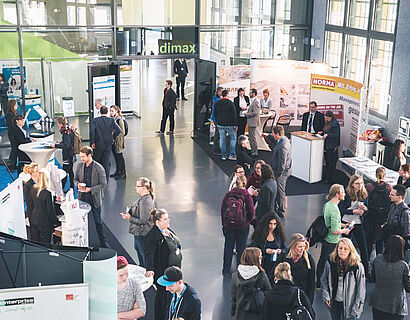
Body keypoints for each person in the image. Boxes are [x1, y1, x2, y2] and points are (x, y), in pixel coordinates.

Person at [144, 208, 182, 320]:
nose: (168, 220)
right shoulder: (152, 236)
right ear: (157, 222)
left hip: (172, 271)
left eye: (168, 218)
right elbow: (149, 253)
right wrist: (150, 269)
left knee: (162, 298)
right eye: (165, 219)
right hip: (163, 273)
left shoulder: (167, 230)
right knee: (164, 299)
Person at [321, 238, 366, 320]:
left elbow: (361, 290)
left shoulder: (357, 267)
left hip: (350, 306)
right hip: (335, 303)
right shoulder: (330, 262)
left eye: (345, 249)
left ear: (350, 250)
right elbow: (324, 280)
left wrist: (356, 310)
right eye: (340, 248)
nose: (342, 251)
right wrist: (326, 296)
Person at [316, 184, 352, 287]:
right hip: (332, 241)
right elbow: (335, 230)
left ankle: (319, 281)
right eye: (342, 192)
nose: (345, 194)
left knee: (322, 260)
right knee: (331, 263)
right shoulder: (335, 210)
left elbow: (333, 223)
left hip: (326, 239)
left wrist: (343, 225)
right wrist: (345, 231)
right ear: (337, 194)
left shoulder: (328, 205)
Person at [74, 146, 109, 248]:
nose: (81, 159)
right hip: (82, 197)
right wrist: (77, 185)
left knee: (98, 221)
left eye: (83, 156)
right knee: (81, 221)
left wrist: (91, 189)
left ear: (90, 155)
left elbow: (104, 184)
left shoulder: (99, 168)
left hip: (94, 198)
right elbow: (75, 179)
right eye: (80, 156)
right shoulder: (79, 166)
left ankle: (103, 242)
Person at [221, 175, 255, 277]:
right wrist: (247, 221)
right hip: (242, 226)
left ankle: (226, 270)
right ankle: (241, 270)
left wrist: (224, 224)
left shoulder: (228, 195)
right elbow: (252, 212)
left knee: (228, 247)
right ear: (245, 183)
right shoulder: (247, 196)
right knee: (241, 248)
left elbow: (223, 210)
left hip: (228, 226)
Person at [370, 235, 410, 320]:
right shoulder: (403, 266)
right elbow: (408, 288)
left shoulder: (378, 259)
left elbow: (373, 278)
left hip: (378, 303)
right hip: (395, 306)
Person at [338, 174, 370, 276]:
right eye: (357, 183)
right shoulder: (346, 194)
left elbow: (367, 210)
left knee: (363, 246)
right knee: (345, 245)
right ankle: (343, 267)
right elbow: (340, 209)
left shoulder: (364, 194)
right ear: (351, 184)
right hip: (346, 222)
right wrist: (353, 211)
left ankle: (365, 270)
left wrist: (364, 210)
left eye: (361, 183)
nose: (359, 185)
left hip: (358, 223)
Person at [120, 177, 155, 267]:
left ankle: (145, 270)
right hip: (139, 232)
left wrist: (129, 217)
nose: (135, 188)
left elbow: (143, 221)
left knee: (143, 253)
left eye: (137, 186)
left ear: (144, 188)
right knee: (138, 249)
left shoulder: (145, 202)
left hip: (142, 233)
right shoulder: (144, 199)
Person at [231, 247, 271, 320]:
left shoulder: (235, 275)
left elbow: (234, 295)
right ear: (254, 259)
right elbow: (269, 292)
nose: (261, 259)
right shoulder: (261, 275)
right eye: (260, 257)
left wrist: (233, 311)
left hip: (241, 312)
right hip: (258, 310)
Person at [250, 212, 286, 283]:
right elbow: (253, 248)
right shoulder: (261, 235)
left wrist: (280, 251)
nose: (272, 226)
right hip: (263, 264)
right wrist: (265, 251)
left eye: (275, 224)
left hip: (275, 265)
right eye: (270, 224)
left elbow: (285, 248)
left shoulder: (278, 235)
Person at [280, 233, 315, 304]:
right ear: (293, 246)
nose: (302, 249)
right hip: (286, 294)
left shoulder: (309, 259)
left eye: (303, 246)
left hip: (301, 295)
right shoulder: (284, 256)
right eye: (299, 247)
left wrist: (309, 302)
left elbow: (311, 282)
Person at [365, 167, 392, 257]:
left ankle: (367, 260)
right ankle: (379, 259)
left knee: (369, 240)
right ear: (385, 175)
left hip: (371, 217)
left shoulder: (369, 186)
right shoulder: (388, 187)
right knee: (379, 241)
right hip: (382, 218)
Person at [90, 105, 121, 181]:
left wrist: (92, 142)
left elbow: (92, 131)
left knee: (96, 161)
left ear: (100, 112)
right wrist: (112, 138)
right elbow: (119, 130)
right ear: (107, 112)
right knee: (106, 162)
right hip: (108, 144)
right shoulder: (111, 120)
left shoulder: (95, 120)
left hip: (98, 144)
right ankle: (105, 180)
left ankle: (96, 178)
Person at [30, 170, 59, 243]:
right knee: (45, 244)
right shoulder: (47, 193)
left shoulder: (33, 189)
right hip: (44, 223)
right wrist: (56, 221)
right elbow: (50, 211)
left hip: (34, 219)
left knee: (35, 243)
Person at [269, 126, 291, 217]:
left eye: (273, 133)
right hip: (281, 171)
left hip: (281, 173)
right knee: (278, 190)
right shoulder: (284, 140)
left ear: (277, 134)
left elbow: (282, 162)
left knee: (280, 192)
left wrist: (277, 174)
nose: (273, 135)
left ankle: (281, 210)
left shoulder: (283, 145)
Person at [214, 89, 238, 161]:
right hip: (230, 125)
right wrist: (235, 124)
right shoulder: (230, 103)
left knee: (222, 139)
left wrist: (218, 121)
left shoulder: (218, 103)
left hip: (220, 124)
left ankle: (223, 155)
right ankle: (232, 155)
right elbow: (234, 114)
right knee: (233, 139)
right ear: (227, 95)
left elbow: (215, 113)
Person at [53, 117, 75, 190]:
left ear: (60, 123)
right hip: (71, 154)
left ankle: (61, 188)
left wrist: (55, 145)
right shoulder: (69, 129)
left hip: (67, 155)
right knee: (70, 171)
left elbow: (66, 145)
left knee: (65, 172)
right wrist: (62, 142)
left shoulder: (66, 133)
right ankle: (72, 185)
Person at [323, 111, 340, 184]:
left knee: (331, 164)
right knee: (328, 163)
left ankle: (330, 179)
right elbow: (326, 131)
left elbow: (336, 135)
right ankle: (327, 178)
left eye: (327, 118)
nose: (326, 119)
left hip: (332, 147)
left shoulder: (335, 124)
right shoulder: (328, 123)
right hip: (328, 146)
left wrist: (328, 135)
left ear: (331, 117)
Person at [109, 105, 126, 180]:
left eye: (112, 111)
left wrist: (114, 136)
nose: (111, 112)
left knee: (120, 157)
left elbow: (122, 132)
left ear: (116, 111)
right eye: (110, 111)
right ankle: (118, 171)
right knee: (116, 157)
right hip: (113, 141)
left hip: (118, 141)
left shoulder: (119, 120)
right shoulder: (113, 119)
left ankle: (123, 172)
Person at [245, 88, 260, 157]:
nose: (249, 94)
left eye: (250, 93)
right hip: (251, 121)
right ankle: (253, 151)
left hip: (253, 122)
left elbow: (256, 112)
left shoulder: (256, 101)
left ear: (253, 94)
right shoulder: (253, 101)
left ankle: (254, 152)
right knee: (251, 137)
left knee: (252, 138)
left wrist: (247, 114)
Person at [210, 87, 223, 153]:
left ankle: (216, 147)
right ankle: (216, 148)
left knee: (217, 133)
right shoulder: (217, 100)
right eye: (221, 91)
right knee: (217, 133)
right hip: (216, 118)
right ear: (218, 92)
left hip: (215, 118)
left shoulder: (215, 98)